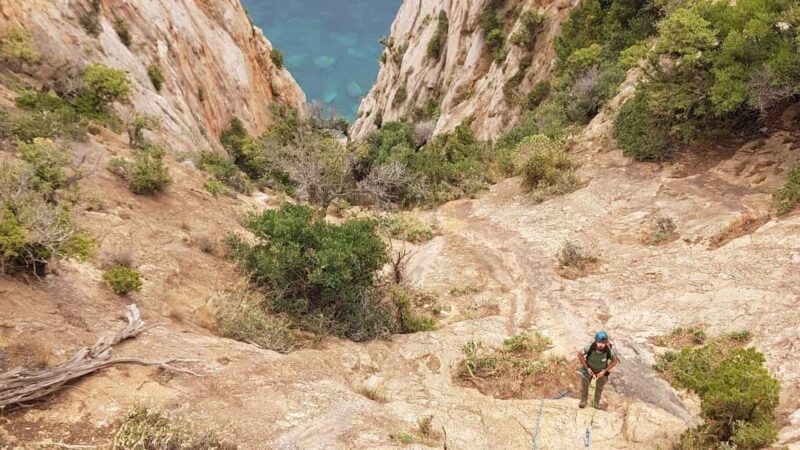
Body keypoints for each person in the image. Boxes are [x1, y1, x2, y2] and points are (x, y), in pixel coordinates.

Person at [577, 330, 618, 409]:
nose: (601, 345)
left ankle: (596, 403)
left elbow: (614, 361)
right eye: (599, 342)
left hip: (601, 371)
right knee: (585, 385)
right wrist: (587, 367)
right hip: (589, 369)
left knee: (599, 388)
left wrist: (604, 371)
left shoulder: (609, 351)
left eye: (603, 343)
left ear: (606, 343)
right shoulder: (589, 348)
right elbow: (579, 354)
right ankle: (583, 401)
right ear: (596, 341)